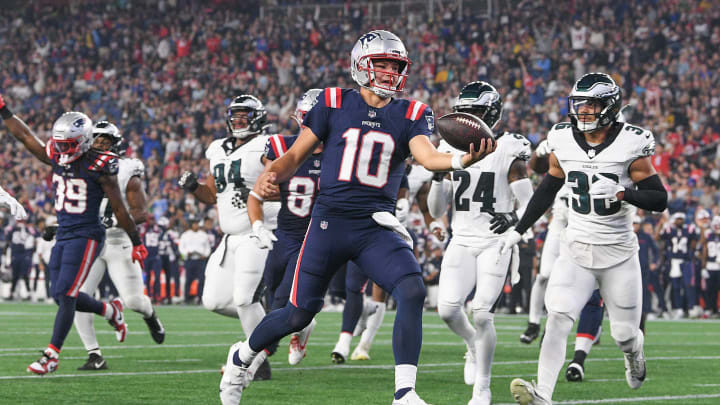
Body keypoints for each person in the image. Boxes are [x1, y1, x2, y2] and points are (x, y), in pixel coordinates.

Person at [219, 30, 495, 405]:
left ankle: (405, 393)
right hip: (328, 222)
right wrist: (272, 175)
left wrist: (461, 159)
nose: (388, 73)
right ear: (360, 65)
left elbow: (428, 158)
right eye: (381, 65)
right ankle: (242, 356)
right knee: (297, 315)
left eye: (394, 66)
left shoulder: (412, 112)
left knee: (412, 291)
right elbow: (295, 155)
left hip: (375, 225)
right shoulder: (333, 102)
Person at [498, 73, 667, 404]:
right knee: (558, 316)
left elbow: (659, 199)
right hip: (575, 247)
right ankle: (543, 393)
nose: (583, 112)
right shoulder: (561, 137)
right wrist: (518, 228)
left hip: (618, 253)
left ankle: (635, 354)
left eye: (591, 105)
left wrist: (623, 193)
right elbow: (548, 187)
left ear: (609, 106)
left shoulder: (631, 143)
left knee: (624, 335)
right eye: (579, 104)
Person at [1, 95, 148, 375]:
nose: (61, 150)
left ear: (83, 141)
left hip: (88, 233)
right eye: (59, 144)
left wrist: (136, 242)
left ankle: (51, 355)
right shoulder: (57, 154)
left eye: (68, 144)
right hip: (65, 231)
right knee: (60, 294)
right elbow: (24, 136)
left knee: (67, 292)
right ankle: (110, 311)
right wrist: (4, 109)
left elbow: (118, 207)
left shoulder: (100, 166)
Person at [427, 81, 534, 405]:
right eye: (465, 114)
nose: (468, 121)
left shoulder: (509, 148)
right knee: (447, 310)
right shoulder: (448, 150)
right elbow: (435, 210)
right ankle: (473, 345)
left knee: (482, 312)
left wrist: (515, 219)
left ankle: (482, 387)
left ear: (492, 115)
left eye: (475, 113)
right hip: (461, 238)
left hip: (495, 242)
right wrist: (435, 173)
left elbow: (530, 202)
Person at [178, 94, 279, 378]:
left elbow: (282, 180)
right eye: (235, 116)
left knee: (245, 299)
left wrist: (264, 192)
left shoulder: (266, 146)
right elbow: (211, 195)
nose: (238, 121)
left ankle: (256, 362)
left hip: (257, 232)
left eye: (245, 115)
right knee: (215, 301)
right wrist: (193, 187)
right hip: (229, 237)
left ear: (257, 118)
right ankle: (276, 323)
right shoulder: (217, 149)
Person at [73, 121, 165, 371]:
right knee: (78, 298)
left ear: (116, 145)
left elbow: (141, 212)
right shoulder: (79, 165)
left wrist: (112, 220)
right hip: (91, 241)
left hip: (118, 240)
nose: (100, 146)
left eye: (106, 141)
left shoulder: (126, 169)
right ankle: (94, 354)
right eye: (96, 141)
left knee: (134, 301)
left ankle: (150, 315)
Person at [249, 88, 323, 366]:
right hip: (286, 230)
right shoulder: (282, 146)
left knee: (283, 297)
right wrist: (267, 188)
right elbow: (264, 186)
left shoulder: (339, 153)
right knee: (270, 286)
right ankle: (303, 328)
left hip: (315, 235)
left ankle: (256, 357)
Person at [520, 141, 571, 344]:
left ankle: (559, 327)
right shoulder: (561, 155)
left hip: (584, 228)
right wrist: (539, 153)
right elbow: (536, 166)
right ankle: (533, 323)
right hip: (559, 225)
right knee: (544, 276)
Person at [659, 212, 702, 318]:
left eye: (681, 219)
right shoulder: (669, 229)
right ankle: (678, 309)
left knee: (688, 286)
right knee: (676, 287)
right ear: (674, 220)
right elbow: (658, 237)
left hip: (686, 261)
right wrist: (661, 224)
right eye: (678, 219)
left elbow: (696, 240)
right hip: (674, 261)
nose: (680, 221)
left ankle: (691, 308)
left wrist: (691, 252)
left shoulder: (689, 229)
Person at [178, 218, 211, 303]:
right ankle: (187, 298)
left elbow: (207, 248)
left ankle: (200, 298)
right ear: (191, 225)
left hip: (200, 260)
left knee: (201, 279)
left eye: (197, 224)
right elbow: (181, 247)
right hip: (190, 259)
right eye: (194, 224)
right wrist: (186, 253)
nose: (196, 225)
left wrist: (205, 255)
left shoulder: (203, 235)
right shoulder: (185, 235)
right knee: (188, 279)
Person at [158, 216, 181, 304]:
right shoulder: (159, 234)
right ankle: (160, 296)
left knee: (170, 278)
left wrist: (175, 254)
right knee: (159, 278)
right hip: (160, 257)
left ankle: (171, 296)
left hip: (169, 257)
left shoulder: (169, 234)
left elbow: (174, 245)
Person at [702, 216, 720, 317]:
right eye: (716, 225)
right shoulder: (709, 235)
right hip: (711, 266)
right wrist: (703, 267)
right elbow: (705, 251)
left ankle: (717, 308)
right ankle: (709, 308)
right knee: (710, 289)